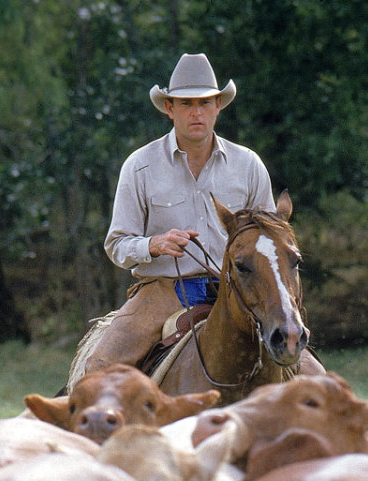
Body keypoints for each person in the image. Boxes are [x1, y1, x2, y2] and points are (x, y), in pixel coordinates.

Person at [75, 52, 276, 381]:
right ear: (169, 109)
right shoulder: (139, 166)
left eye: (205, 103)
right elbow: (116, 245)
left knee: (301, 362)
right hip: (163, 289)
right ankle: (89, 427)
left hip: (239, 289)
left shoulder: (249, 165)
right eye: (186, 104)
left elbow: (269, 240)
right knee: (100, 367)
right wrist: (154, 244)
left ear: (218, 107)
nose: (196, 113)